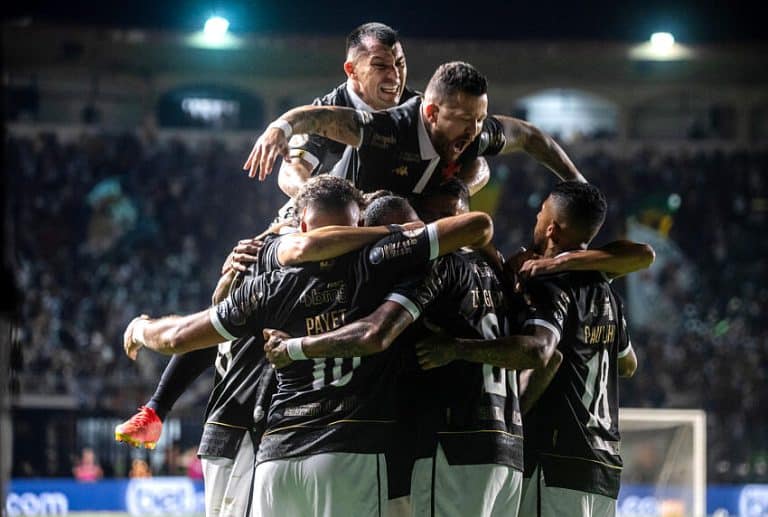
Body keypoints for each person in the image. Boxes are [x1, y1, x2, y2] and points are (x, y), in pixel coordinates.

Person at [121, 178, 494, 517]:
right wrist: (397, 233)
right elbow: (477, 226)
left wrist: (141, 328)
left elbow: (180, 337)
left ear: (298, 223)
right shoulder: (374, 263)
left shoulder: (264, 280)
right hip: (346, 449)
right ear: (358, 224)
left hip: (277, 456)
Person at [418, 182, 641, 517]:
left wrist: (456, 348)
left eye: (540, 214)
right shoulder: (607, 293)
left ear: (551, 227)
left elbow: (541, 352)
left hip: (555, 459)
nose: (535, 221)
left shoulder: (550, 284)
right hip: (603, 466)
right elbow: (627, 364)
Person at [244, 61, 585, 197]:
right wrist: (280, 127)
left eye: (480, 119)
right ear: (433, 112)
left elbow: (530, 136)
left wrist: (578, 184)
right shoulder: (389, 128)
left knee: (478, 166)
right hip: (348, 218)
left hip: (413, 225)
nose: (475, 129)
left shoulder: (474, 135)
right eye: (466, 120)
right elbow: (323, 117)